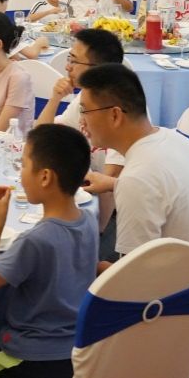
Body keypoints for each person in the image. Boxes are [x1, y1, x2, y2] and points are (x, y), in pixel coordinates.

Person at [0, 124, 97, 378]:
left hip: (32, 352)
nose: (20, 173)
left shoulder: (36, 240)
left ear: (45, 177)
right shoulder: (89, 219)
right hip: (75, 347)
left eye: (23, 165)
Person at [77, 64, 189, 269]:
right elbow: (160, 190)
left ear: (115, 115)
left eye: (84, 110)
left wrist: (82, 266)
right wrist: (114, 184)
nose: (81, 121)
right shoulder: (174, 139)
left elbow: (135, 277)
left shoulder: (136, 179)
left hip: (173, 286)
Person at [37, 28, 126, 258]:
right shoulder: (85, 96)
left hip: (116, 220)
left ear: (98, 70)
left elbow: (107, 184)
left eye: (74, 61)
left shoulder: (121, 109)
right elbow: (41, 138)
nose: (68, 67)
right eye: (69, 58)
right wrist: (55, 99)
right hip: (87, 202)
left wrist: (95, 241)